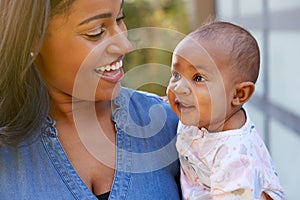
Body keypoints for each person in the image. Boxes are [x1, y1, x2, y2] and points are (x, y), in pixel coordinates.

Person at [0, 0, 181, 199]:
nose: (125, 45)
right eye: (96, 32)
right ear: (33, 38)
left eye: (120, 19)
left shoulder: (170, 127)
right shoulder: (7, 154)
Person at [167, 21, 285, 199]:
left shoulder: (235, 155)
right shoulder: (204, 113)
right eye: (176, 75)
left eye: (198, 78)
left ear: (238, 94)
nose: (179, 88)